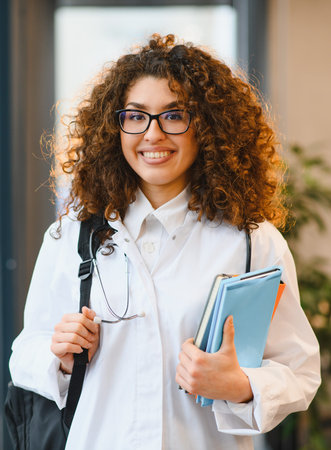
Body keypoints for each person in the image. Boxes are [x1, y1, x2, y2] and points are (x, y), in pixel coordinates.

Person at [9, 34, 320, 449]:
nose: (152, 134)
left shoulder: (251, 240)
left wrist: (241, 384)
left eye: (174, 116)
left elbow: (299, 370)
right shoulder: (72, 236)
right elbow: (23, 354)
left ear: (207, 126)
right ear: (115, 128)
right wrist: (59, 356)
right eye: (136, 116)